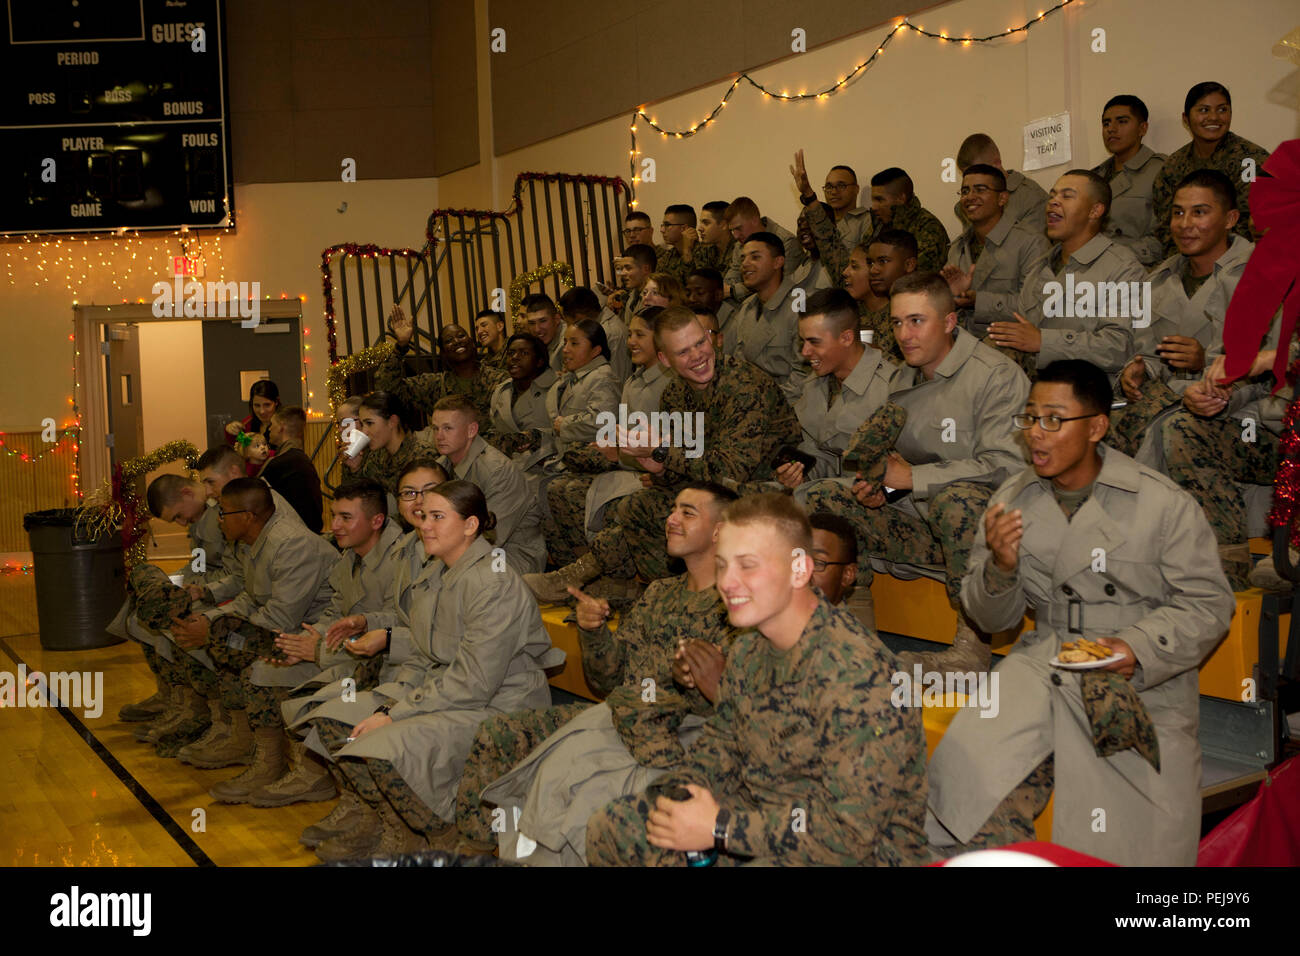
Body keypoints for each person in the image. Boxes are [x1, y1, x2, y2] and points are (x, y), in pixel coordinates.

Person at [928, 360, 1234, 866]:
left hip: (1137, 679)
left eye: (1053, 419)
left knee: (1131, 838)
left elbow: (1208, 604)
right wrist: (1001, 569)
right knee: (964, 779)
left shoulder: (1160, 504)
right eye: (1029, 419)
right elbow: (992, 619)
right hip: (1044, 657)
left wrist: (1135, 645)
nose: (1036, 435)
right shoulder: (1012, 499)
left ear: (1096, 426)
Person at [585, 493, 929, 866]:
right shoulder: (750, 650)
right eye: (721, 565)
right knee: (617, 825)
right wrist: (677, 803)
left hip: (853, 855)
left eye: (748, 566)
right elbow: (720, 746)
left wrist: (719, 828)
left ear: (799, 570)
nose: (728, 583)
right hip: (762, 818)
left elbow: (849, 837)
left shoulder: (860, 675)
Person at [459, 483, 739, 864]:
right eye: (673, 509)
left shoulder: (736, 606)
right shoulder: (659, 593)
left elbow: (731, 711)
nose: (671, 519)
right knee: (497, 734)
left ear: (722, 529)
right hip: (618, 717)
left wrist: (701, 684)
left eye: (688, 512)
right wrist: (594, 634)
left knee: (581, 784)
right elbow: (609, 683)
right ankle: (483, 847)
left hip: (674, 736)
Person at [304, 481, 563, 860]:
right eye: (424, 515)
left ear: (471, 525)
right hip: (447, 690)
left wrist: (396, 713)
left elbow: (474, 682)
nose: (424, 524)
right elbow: (430, 649)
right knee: (333, 720)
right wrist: (392, 698)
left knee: (383, 744)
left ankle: (434, 832)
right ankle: (387, 818)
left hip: (501, 706)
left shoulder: (492, 583)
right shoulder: (440, 571)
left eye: (438, 517)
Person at [803, 272, 1030, 675]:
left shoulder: (995, 375)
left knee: (956, 500)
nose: (904, 334)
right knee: (823, 498)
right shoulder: (904, 376)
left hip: (986, 527)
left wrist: (913, 480)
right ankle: (855, 636)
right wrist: (884, 490)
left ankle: (972, 648)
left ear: (949, 322)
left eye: (917, 321)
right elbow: (897, 463)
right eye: (896, 322)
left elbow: (1009, 466)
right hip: (918, 518)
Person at [525, 306, 800, 600]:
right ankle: (661, 594)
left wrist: (661, 454)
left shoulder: (743, 385)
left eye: (700, 343)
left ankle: (594, 581)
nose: (697, 356)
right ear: (665, 359)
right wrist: (658, 469)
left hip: (762, 487)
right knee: (637, 505)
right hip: (712, 486)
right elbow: (686, 461)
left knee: (653, 509)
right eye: (683, 352)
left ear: (711, 339)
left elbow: (732, 469)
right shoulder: (675, 394)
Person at [287, 459, 448, 851]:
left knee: (343, 712)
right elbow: (400, 616)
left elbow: (444, 644)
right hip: (406, 668)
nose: (418, 502)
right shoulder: (411, 549)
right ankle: (365, 808)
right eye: (409, 493)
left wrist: (382, 638)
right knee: (323, 710)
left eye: (428, 493)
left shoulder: (451, 559)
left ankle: (400, 824)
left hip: (435, 681)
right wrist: (361, 622)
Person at [219, 478, 407, 808]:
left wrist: (319, 650)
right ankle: (271, 763)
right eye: (333, 515)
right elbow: (336, 608)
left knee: (303, 687)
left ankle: (315, 774)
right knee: (268, 664)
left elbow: (395, 630)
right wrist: (310, 638)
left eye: (346, 517)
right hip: (345, 653)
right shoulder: (351, 556)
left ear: (377, 521)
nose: (334, 525)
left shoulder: (400, 561)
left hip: (383, 667)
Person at [168, 479, 338, 787]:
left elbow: (279, 618)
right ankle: (240, 737)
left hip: (312, 638)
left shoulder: (290, 544)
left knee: (249, 657)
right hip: (287, 630)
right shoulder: (255, 542)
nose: (219, 519)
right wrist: (210, 621)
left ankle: (274, 764)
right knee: (221, 642)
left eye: (225, 512)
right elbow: (250, 598)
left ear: (247, 516)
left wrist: (213, 634)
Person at [1111, 170, 1249, 457]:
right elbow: (1148, 353)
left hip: (1239, 415)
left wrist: (1204, 363)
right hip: (1170, 401)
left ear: (1230, 219)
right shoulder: (1158, 281)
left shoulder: (1258, 277)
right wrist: (1137, 373)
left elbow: (1272, 370)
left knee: (1167, 434)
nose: (1185, 224)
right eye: (1178, 213)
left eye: (1199, 212)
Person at [544, 308, 670, 568]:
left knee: (573, 492)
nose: (630, 341)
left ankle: (601, 572)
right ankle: (583, 567)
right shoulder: (634, 382)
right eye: (630, 334)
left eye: (639, 335)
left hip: (651, 472)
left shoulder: (669, 383)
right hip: (628, 464)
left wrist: (617, 453)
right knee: (555, 488)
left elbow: (669, 446)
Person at [992, 169, 1142, 377]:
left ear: (1095, 210)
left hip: (1088, 392)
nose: (1053, 201)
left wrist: (1044, 341)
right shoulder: (1039, 267)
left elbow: (1119, 347)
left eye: (1067, 196)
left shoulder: (1123, 268)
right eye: (1052, 195)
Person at [1151, 81, 1271, 256]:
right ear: (1186, 119)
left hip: (1238, 261)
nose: (1214, 117)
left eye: (1222, 110)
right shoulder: (1173, 165)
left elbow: (1250, 224)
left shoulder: (1250, 159)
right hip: (1183, 261)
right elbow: (1165, 225)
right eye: (1204, 110)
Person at [430, 394, 546, 574]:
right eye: (435, 428)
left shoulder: (497, 471)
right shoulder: (441, 466)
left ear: (471, 430)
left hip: (509, 555)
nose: (439, 436)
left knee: (451, 577)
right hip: (465, 545)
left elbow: (490, 537)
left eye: (448, 428)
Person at [942, 164, 1051, 337]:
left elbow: (1037, 307)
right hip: (963, 342)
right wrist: (950, 297)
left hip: (1010, 345)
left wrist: (979, 301)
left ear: (1002, 198)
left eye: (980, 190)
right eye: (965, 191)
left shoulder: (1031, 242)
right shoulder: (958, 248)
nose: (970, 197)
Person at [379, 307, 508, 430]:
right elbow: (389, 388)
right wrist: (400, 346)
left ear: (472, 343)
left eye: (461, 336)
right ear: (443, 354)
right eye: (449, 340)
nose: (457, 341)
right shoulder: (434, 386)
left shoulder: (499, 380)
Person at [1089, 94, 1167, 266]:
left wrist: (1116, 257)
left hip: (1138, 271)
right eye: (1106, 123)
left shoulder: (1162, 170)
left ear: (1142, 129)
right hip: (1092, 273)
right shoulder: (1094, 177)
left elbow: (1168, 234)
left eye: (1122, 121)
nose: (1111, 128)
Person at [731, 231, 808, 397]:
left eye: (755, 257)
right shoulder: (747, 307)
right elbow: (739, 364)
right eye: (743, 258)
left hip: (788, 405)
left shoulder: (800, 306)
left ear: (778, 262)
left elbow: (804, 376)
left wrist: (766, 405)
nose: (745, 263)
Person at [347, 390, 436, 511]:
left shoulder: (423, 455)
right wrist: (355, 468)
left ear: (392, 421)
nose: (364, 432)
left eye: (369, 423)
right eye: (363, 424)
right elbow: (362, 502)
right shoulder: (376, 457)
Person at [546, 318, 621, 459]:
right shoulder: (576, 376)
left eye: (574, 343)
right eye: (565, 342)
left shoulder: (602, 377)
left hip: (590, 462)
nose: (566, 349)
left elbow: (602, 421)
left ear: (595, 350)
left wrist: (564, 425)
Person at [487, 332, 558, 472]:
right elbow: (495, 429)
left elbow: (568, 433)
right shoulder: (501, 390)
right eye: (511, 353)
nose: (514, 358)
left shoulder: (556, 388)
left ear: (539, 361)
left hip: (543, 469)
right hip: (503, 467)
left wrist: (537, 438)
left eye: (524, 353)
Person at [952, 133, 1049, 231]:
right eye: (967, 175)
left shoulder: (1032, 199)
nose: (971, 196)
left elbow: (1033, 244)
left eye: (979, 173)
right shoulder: (964, 205)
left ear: (996, 164)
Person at [862, 167, 949, 273]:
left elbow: (919, 277)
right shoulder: (879, 224)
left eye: (880, 200)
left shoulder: (928, 228)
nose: (874, 207)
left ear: (901, 199)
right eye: (873, 200)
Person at [722, 196, 803, 301]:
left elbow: (782, 283)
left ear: (755, 220)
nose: (736, 236)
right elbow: (730, 279)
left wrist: (734, 291)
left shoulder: (786, 242)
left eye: (738, 228)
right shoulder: (740, 244)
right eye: (732, 230)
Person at [858, 229, 918, 364]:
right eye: (870, 263)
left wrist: (877, 356)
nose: (873, 270)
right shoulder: (887, 307)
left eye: (883, 261)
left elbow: (924, 371)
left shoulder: (925, 309)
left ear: (909, 265)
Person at [261, 405, 324, 533]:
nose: (269, 429)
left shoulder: (281, 464)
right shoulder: (300, 459)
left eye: (272, 424)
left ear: (281, 427)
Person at [565, 285, 630, 383]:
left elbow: (616, 379)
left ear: (580, 317)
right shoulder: (598, 327)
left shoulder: (611, 333)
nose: (566, 349)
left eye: (571, 323)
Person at [685, 267, 737, 354]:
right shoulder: (686, 321)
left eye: (700, 293)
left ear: (718, 295)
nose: (691, 299)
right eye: (688, 293)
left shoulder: (737, 325)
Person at [224, 379, 280, 450]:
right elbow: (243, 444)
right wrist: (231, 431)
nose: (262, 411)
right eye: (257, 405)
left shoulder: (285, 425)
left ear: (276, 402)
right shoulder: (247, 424)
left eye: (267, 405)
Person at [522, 293, 566, 374]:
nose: (537, 329)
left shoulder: (568, 343)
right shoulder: (533, 342)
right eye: (532, 323)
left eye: (543, 321)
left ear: (556, 319)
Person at [654, 204, 699, 284]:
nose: (662, 230)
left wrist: (687, 252)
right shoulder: (668, 256)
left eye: (667, 225)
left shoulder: (704, 252)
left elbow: (695, 287)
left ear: (684, 228)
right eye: (663, 225)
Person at [691, 201, 736, 275]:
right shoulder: (704, 250)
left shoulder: (739, 251)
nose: (699, 228)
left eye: (706, 223)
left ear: (724, 225)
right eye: (701, 223)